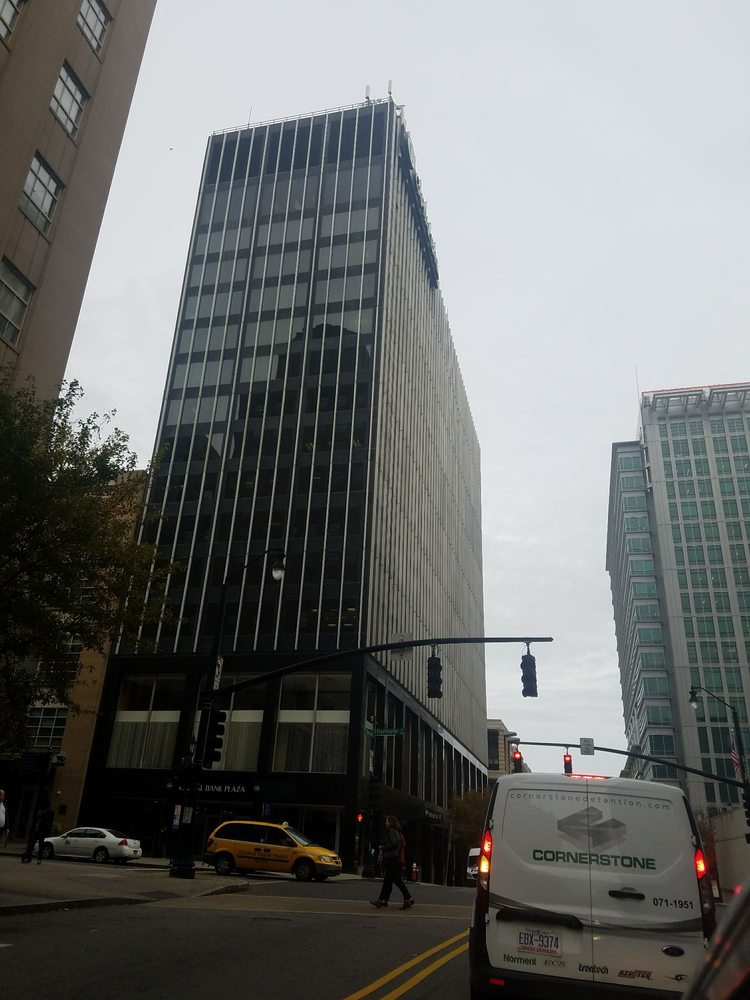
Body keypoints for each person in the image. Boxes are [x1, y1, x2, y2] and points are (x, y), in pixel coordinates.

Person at [370, 814, 415, 910]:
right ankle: (384, 900)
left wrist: (383, 847)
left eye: (386, 821)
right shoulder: (397, 832)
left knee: (393, 881)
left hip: (393, 860)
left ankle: (384, 900)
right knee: (390, 881)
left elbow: (393, 843)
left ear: (390, 823)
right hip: (396, 860)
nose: (385, 823)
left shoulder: (391, 831)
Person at [25, 799, 55, 864]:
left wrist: (47, 832)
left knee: (41, 845)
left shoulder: (50, 813)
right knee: (31, 844)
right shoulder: (39, 811)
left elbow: (49, 823)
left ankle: (39, 859)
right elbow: (34, 821)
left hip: (42, 831)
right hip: (36, 830)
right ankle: (29, 858)